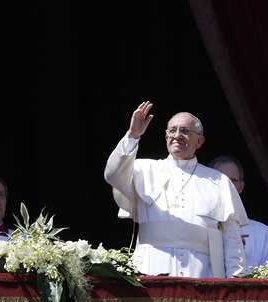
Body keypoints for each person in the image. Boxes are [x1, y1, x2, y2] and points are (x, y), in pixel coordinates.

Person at [104, 101, 248, 278]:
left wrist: (236, 281)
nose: (177, 135)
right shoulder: (144, 169)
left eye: (185, 131)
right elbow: (112, 174)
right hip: (149, 269)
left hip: (202, 275)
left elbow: (232, 240)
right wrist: (133, 135)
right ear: (166, 137)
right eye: (172, 130)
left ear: (199, 141)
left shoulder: (219, 181)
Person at [208, 155, 268, 268]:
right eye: (220, 179)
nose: (227, 186)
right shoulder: (193, 227)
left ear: (241, 187)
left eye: (233, 181)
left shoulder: (262, 233)